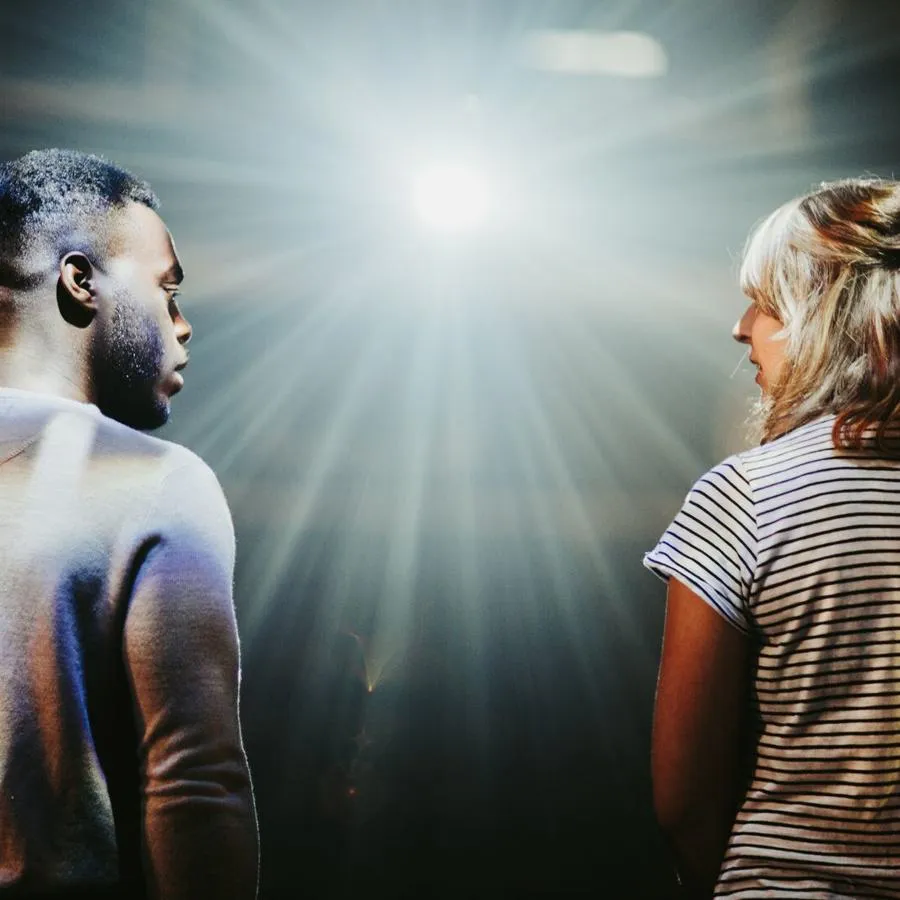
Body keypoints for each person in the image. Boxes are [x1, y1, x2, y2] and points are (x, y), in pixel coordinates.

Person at [0, 149, 258, 898]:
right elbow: (196, 787)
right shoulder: (154, 481)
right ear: (81, 281)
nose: (184, 326)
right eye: (166, 288)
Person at [645, 178, 900, 899]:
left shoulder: (746, 496)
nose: (740, 326)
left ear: (835, 318)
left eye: (770, 302)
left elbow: (685, 798)